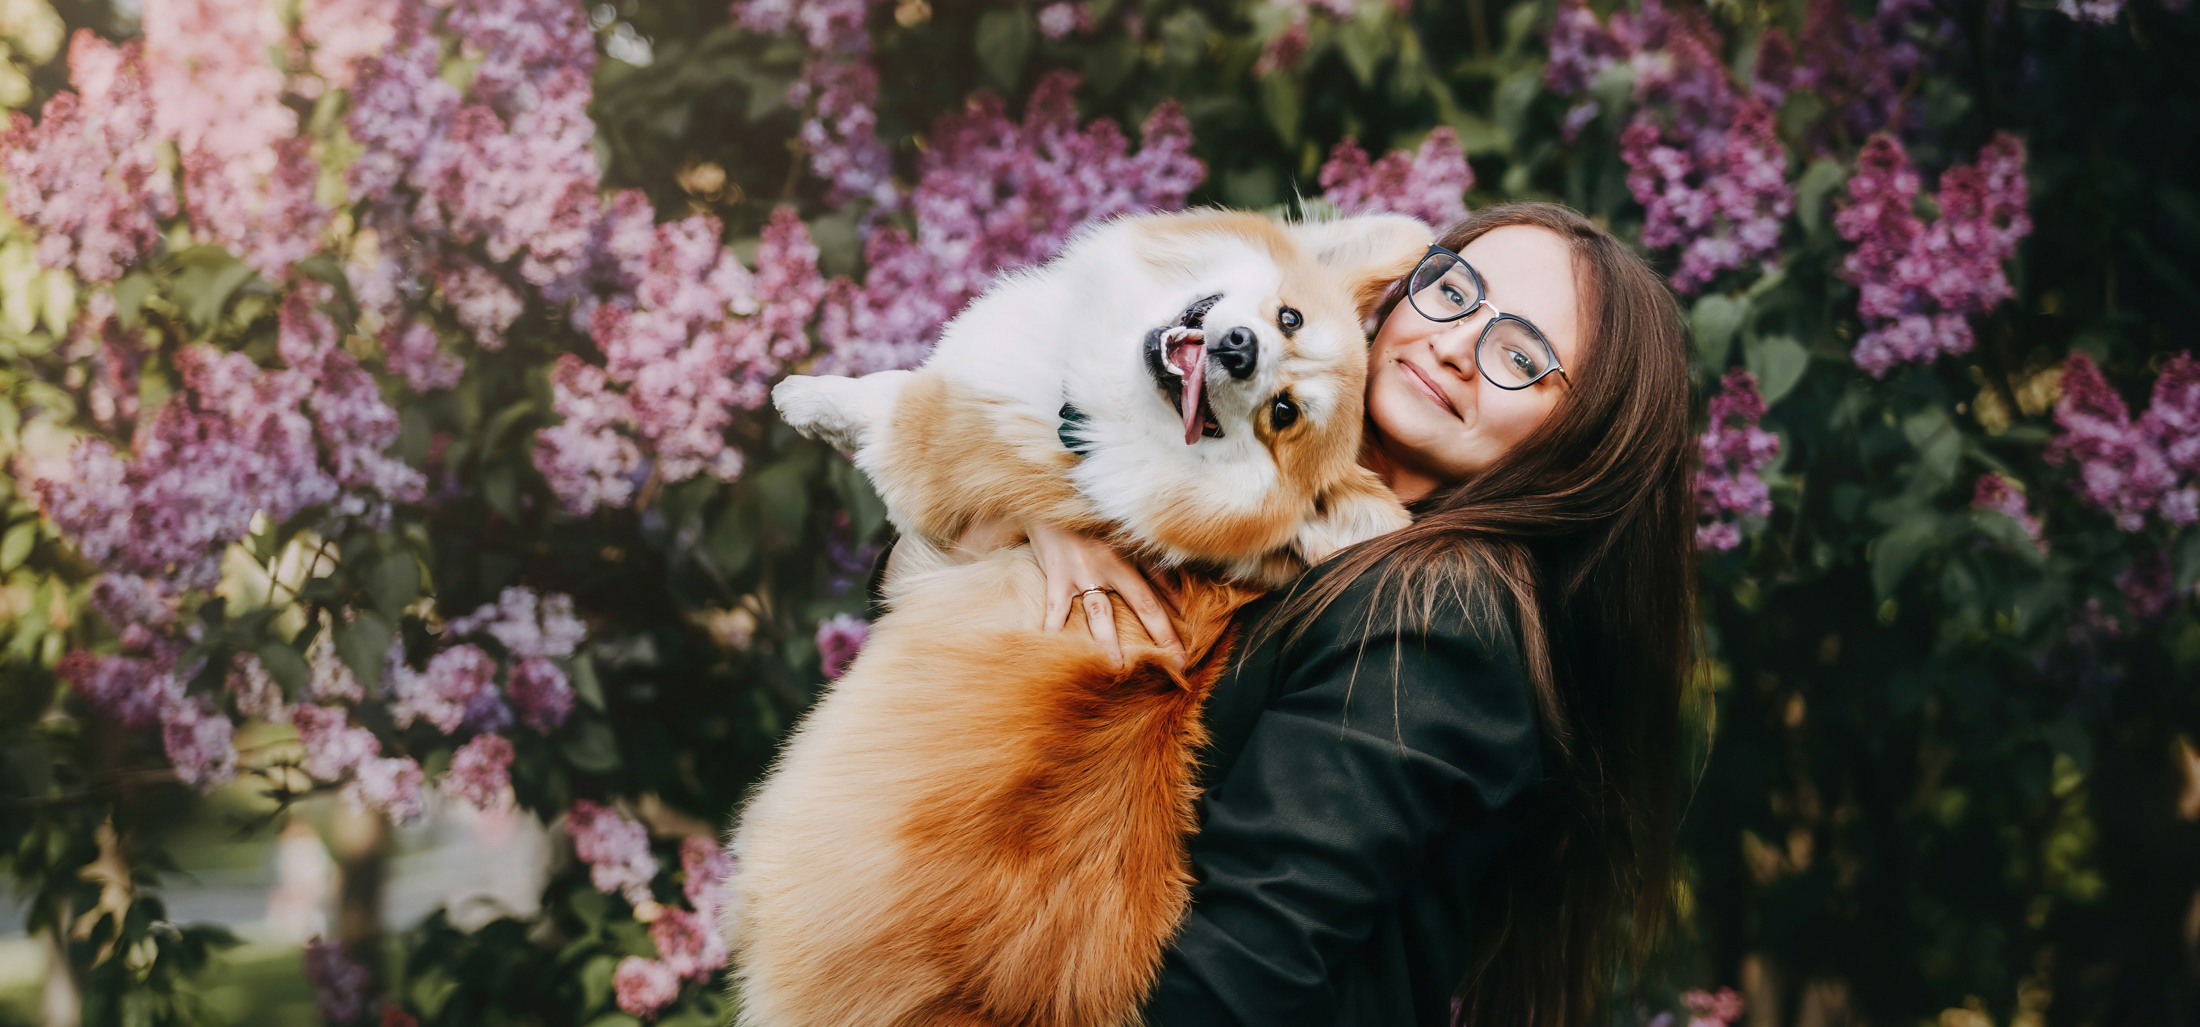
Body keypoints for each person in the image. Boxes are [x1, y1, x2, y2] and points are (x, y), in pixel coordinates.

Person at [935, 201, 1697, 1025]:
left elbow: (1233, 976)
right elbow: (920, 592)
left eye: (1520, 353)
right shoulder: (1255, 477)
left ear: (1584, 440)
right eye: (1455, 290)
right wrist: (1037, 507)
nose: (1454, 344)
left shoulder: (1441, 616)